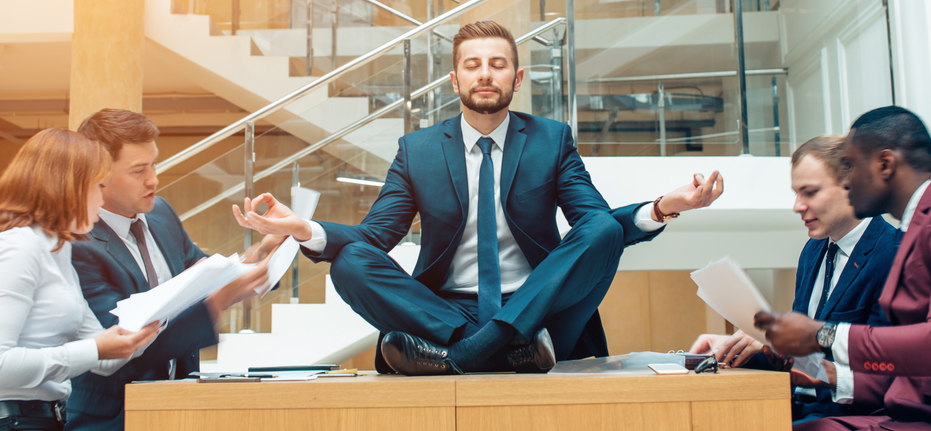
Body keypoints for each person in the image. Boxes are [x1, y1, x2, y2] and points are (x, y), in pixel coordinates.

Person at [234, 20, 724, 376]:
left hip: (540, 309)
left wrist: (662, 207)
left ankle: (463, 358)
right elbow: (374, 237)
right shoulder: (417, 150)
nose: (484, 73)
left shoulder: (551, 140)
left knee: (598, 230)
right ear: (455, 80)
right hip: (445, 312)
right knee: (350, 262)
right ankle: (496, 346)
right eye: (472, 65)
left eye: (497, 64)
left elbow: (596, 223)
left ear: (517, 77)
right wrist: (304, 231)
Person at [755, 106, 931, 431]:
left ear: (885, 164)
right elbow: (902, 371)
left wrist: (822, 335)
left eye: (852, 168)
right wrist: (827, 375)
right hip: (907, 412)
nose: (848, 181)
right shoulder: (916, 228)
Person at [66, 110, 269, 431]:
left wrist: (259, 257)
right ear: (97, 174)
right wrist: (215, 302)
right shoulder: (78, 243)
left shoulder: (160, 214)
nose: (153, 179)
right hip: (113, 416)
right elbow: (117, 342)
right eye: (138, 170)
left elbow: (199, 271)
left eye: (154, 164)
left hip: (179, 405)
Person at [690, 135, 899, 422]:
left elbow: (890, 377)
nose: (797, 206)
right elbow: (797, 356)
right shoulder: (813, 250)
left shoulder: (893, 255)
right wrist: (743, 347)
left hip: (848, 417)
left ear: (851, 185)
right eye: (796, 193)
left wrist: (791, 354)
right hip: (796, 408)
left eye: (810, 192)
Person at [0, 129, 160, 431]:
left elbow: (101, 359)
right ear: (65, 187)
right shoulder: (19, 248)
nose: (102, 200)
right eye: (98, 186)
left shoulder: (58, 251)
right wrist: (97, 349)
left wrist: (141, 333)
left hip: (46, 418)